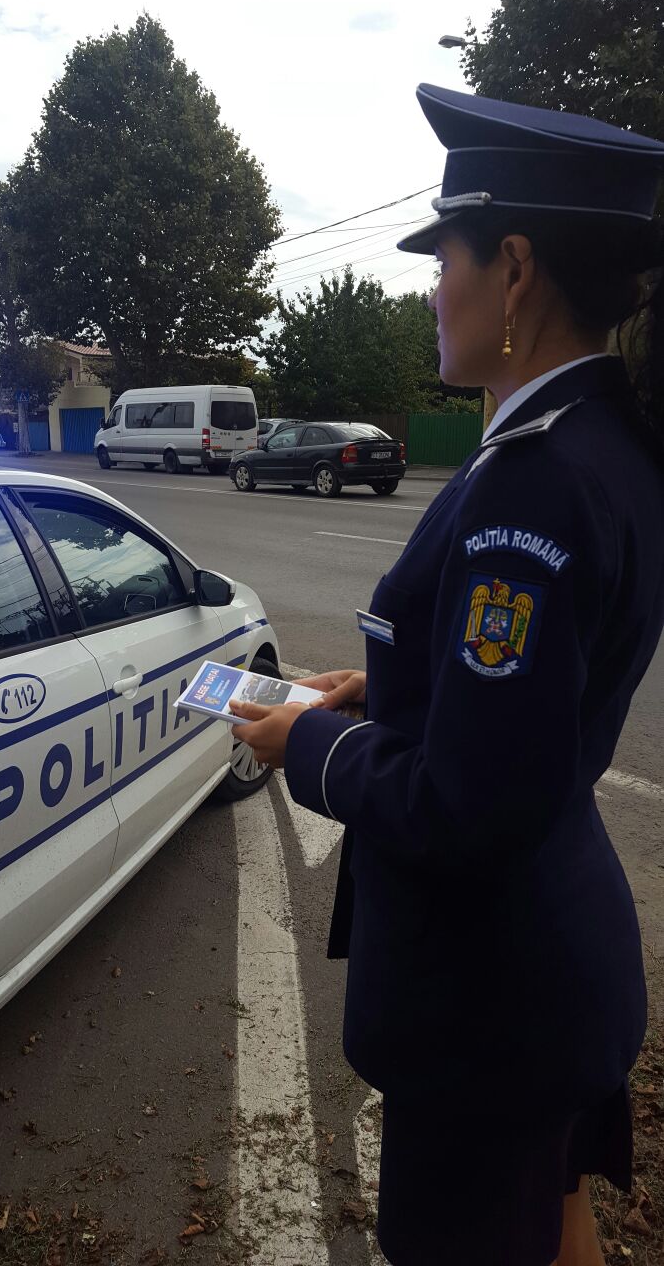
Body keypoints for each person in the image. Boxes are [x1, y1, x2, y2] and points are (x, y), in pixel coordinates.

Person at [231, 83, 664, 1266]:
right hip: (548, 964)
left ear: (512, 270)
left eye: (442, 260)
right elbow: (539, 695)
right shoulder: (606, 444)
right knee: (558, 1229)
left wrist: (309, 742)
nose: (432, 291)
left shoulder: (533, 484)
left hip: (492, 1003)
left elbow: (471, 803)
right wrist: (385, 692)